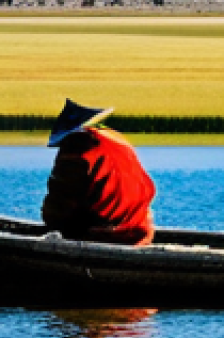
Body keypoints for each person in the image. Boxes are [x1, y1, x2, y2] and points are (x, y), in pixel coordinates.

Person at [41, 99, 157, 247]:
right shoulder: (116, 139)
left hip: (103, 236)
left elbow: (60, 204)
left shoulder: (76, 150)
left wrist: (51, 221)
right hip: (142, 232)